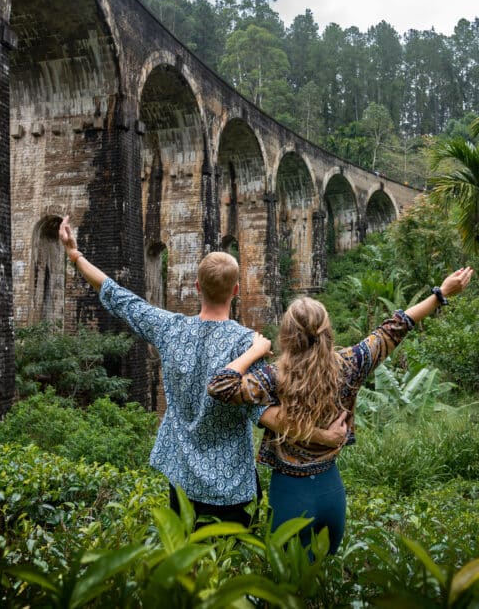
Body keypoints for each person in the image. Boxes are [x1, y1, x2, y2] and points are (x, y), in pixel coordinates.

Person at [57, 217, 347, 527]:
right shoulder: (248, 344)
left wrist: (75, 254)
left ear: (197, 287)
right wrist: (323, 436)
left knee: (187, 562)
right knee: (228, 566)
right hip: (231, 487)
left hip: (181, 480)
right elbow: (268, 416)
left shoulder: (171, 329)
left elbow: (119, 297)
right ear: (236, 290)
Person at [208, 267, 474, 552]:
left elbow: (220, 386)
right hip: (331, 490)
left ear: (286, 336)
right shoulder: (352, 363)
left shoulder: (274, 377)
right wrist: (441, 293)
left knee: (285, 585)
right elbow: (397, 326)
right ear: (327, 331)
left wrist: (255, 352)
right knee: (326, 583)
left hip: (289, 492)